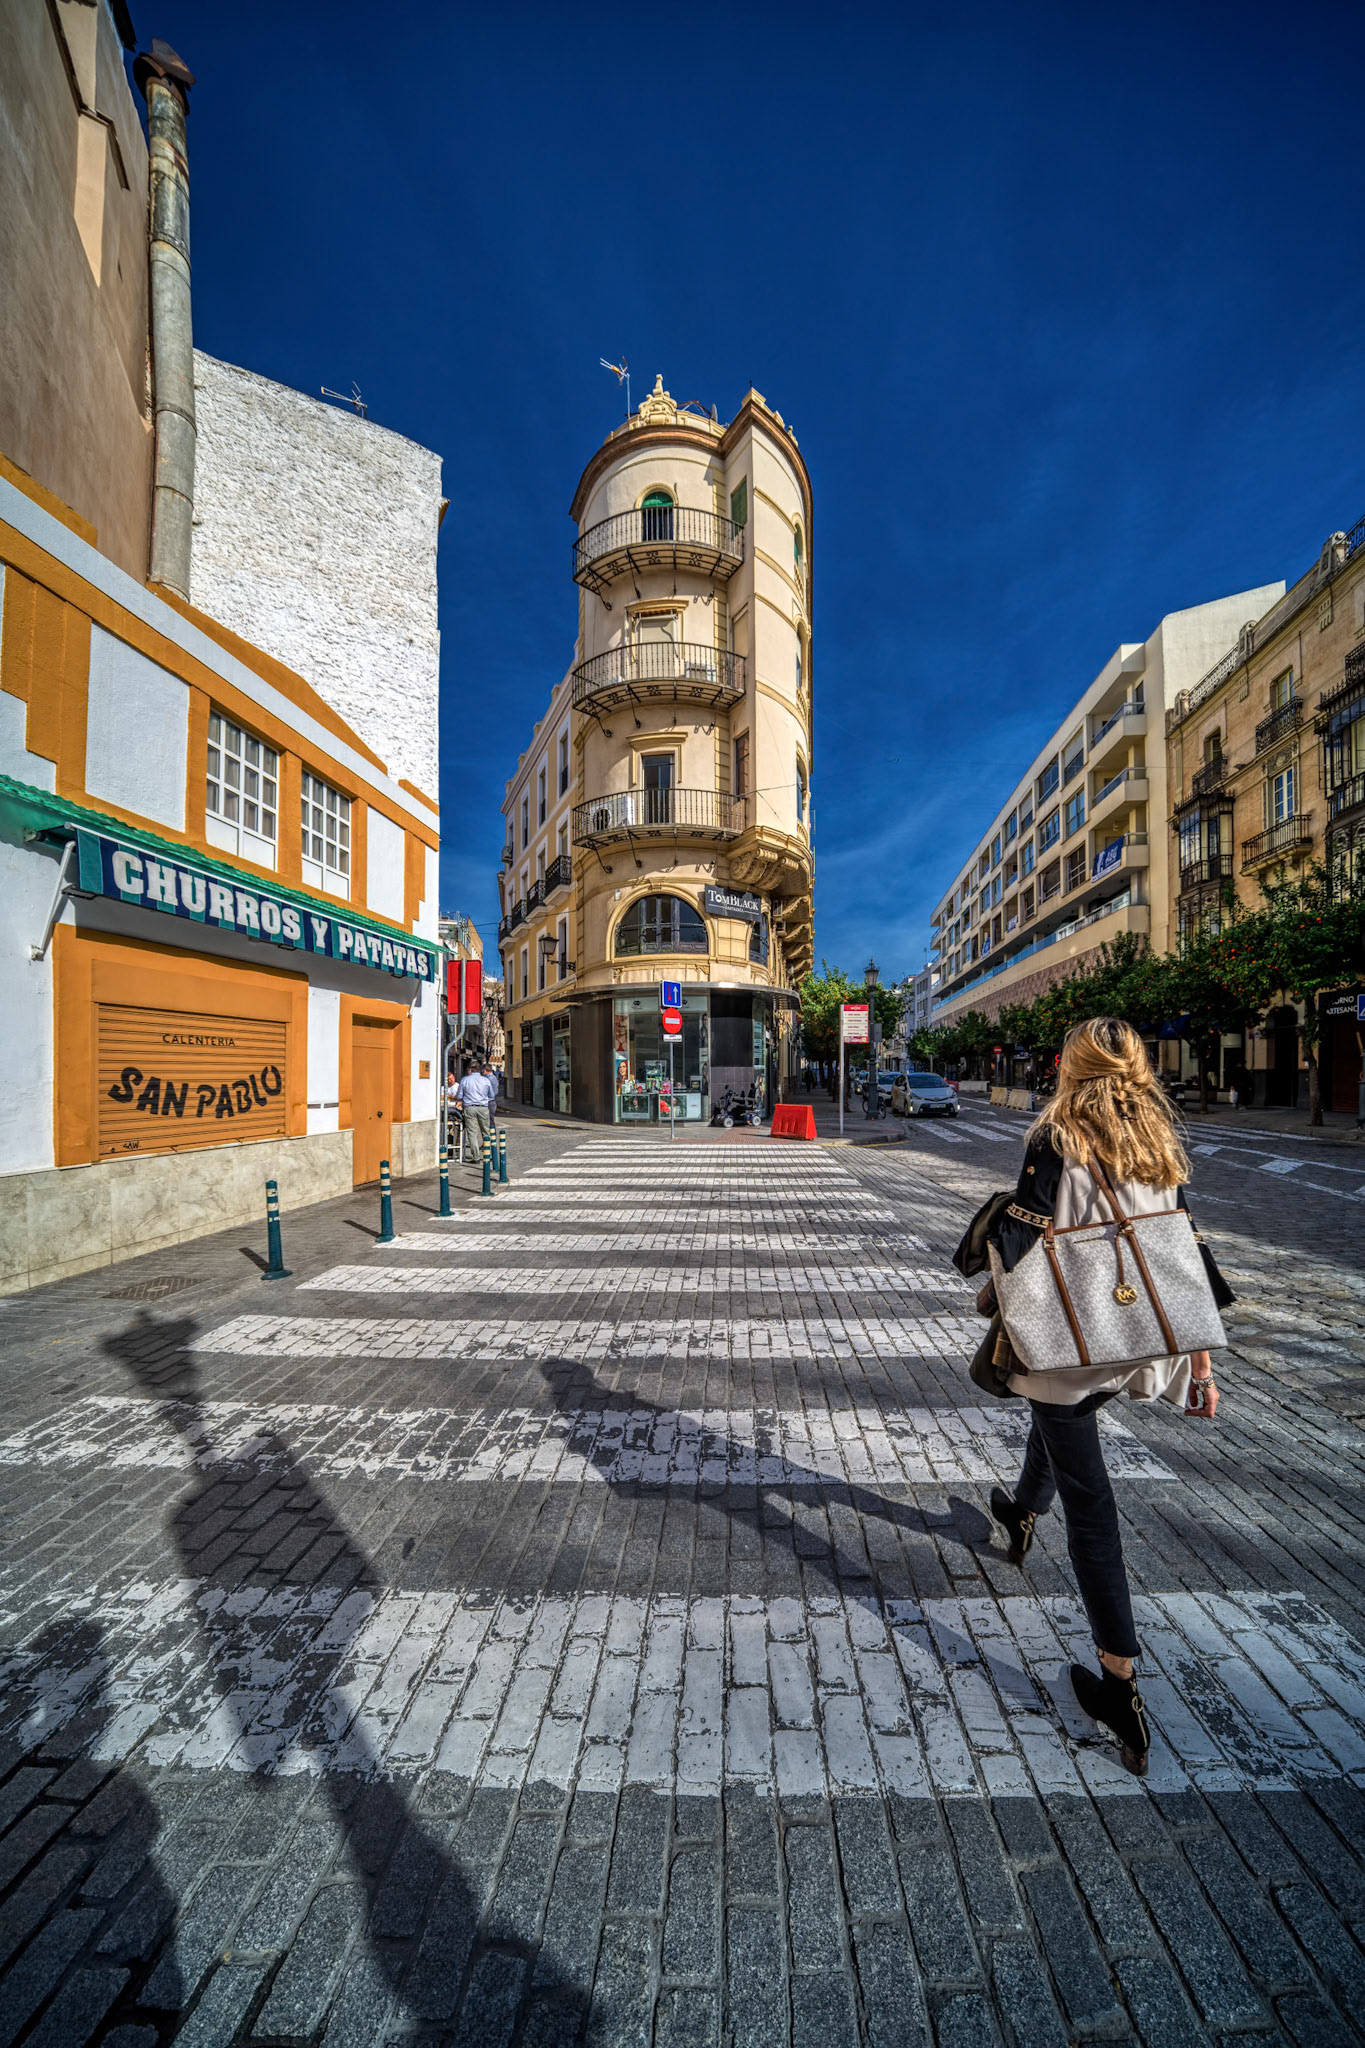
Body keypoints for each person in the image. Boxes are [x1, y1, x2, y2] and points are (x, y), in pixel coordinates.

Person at [956, 1017, 1233, 1778]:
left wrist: (987, 1261)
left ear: (1069, 1067)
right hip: (1141, 1333)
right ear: (1137, 1066)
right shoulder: (1157, 1139)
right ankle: (1016, 1513)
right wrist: (1199, 1366)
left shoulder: (1054, 1138)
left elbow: (1019, 1238)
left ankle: (1120, 1688)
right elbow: (1182, 1251)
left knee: (1092, 1506)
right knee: (1060, 1429)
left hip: (1072, 1339)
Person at [455, 1057, 498, 1170]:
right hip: (483, 1108)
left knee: (472, 1133)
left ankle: (476, 1157)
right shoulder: (486, 1080)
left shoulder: (465, 1080)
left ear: (470, 1070)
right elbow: (492, 1096)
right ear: (479, 1070)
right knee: (486, 1131)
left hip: (469, 1108)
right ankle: (488, 1155)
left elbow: (459, 1096)